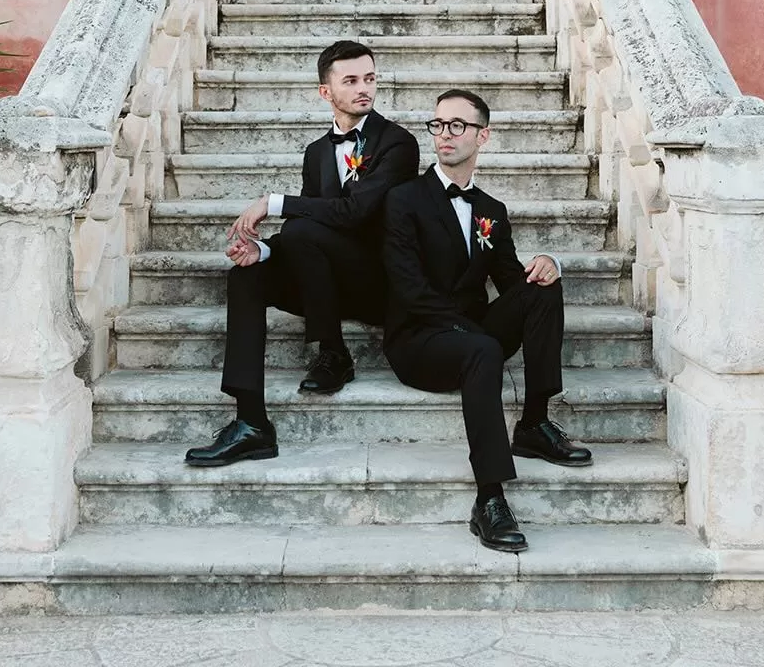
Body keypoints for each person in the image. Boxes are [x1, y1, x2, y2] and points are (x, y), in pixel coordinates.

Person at [185, 38, 420, 468]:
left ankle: (333, 351)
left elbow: (352, 213)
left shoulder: (398, 144)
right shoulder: (316, 153)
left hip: (377, 283)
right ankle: (251, 422)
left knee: (303, 230)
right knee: (247, 275)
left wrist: (274, 202)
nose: (363, 87)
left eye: (369, 78)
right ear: (325, 92)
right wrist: (266, 252)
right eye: (350, 80)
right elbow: (305, 230)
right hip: (324, 280)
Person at [381, 88, 592, 552]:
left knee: (541, 289)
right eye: (438, 125)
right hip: (419, 339)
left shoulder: (491, 213)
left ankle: (534, 423)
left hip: (474, 335)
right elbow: (407, 289)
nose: (444, 135)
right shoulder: (403, 200)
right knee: (481, 349)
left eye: (458, 125)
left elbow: (510, 279)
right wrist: (472, 334)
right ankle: (490, 498)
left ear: (483, 136)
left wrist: (548, 263)